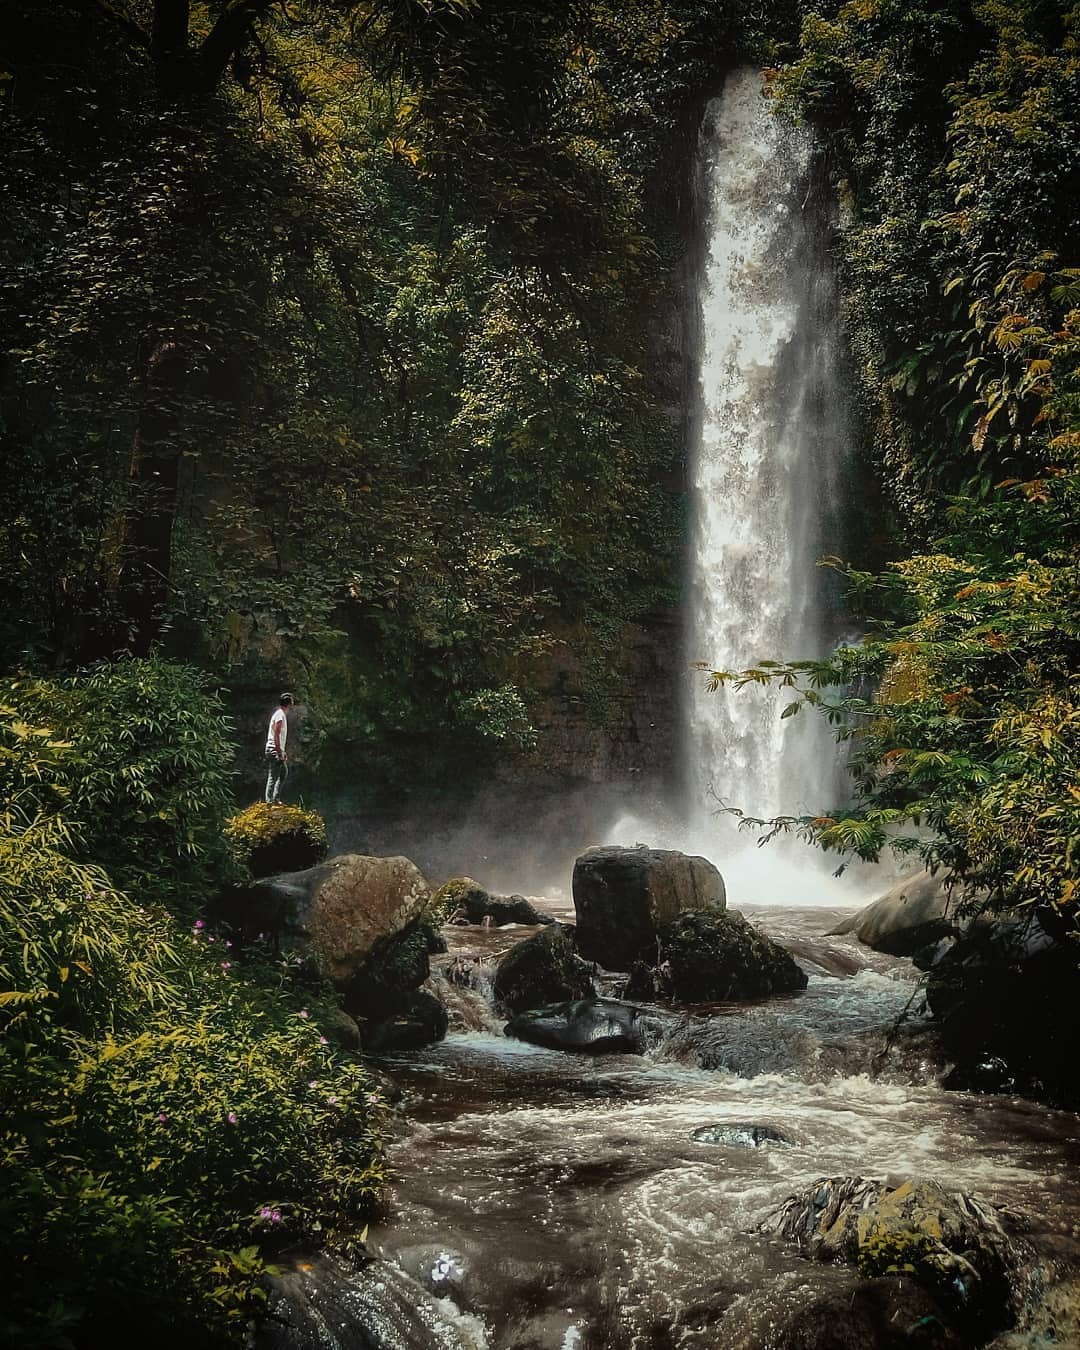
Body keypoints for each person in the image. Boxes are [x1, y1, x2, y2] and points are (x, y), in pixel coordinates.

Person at [264, 692, 294, 804]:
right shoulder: (280, 715)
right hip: (273, 749)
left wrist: (282, 750)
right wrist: (279, 751)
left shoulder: (279, 714)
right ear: (289, 703)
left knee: (283, 773)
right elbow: (276, 734)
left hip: (275, 748)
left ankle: (275, 798)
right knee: (273, 775)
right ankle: (269, 802)